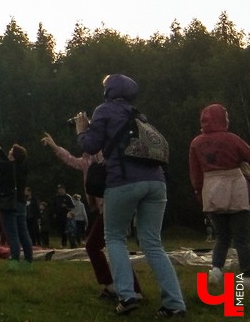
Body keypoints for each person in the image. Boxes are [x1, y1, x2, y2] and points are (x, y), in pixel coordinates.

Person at [77, 73, 186, 317]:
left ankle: (127, 295)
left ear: (108, 91)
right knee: (153, 244)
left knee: (115, 237)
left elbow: (91, 146)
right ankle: (175, 303)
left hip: (123, 181)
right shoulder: (139, 115)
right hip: (157, 182)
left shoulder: (104, 110)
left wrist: (81, 131)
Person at [41, 129, 139, 300]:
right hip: (107, 208)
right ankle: (130, 289)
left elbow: (100, 153)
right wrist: (54, 146)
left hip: (112, 205)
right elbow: (70, 159)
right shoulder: (86, 161)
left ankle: (116, 287)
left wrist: (85, 130)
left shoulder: (101, 154)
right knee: (111, 247)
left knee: (95, 246)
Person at [188, 103, 250, 287]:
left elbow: (195, 173)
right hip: (234, 187)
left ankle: (216, 270)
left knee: (222, 236)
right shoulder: (232, 139)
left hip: (211, 188)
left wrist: (199, 193)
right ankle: (247, 276)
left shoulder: (196, 143)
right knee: (242, 237)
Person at [0, 137, 34, 267]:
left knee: (12, 234)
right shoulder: (23, 168)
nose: (9, 151)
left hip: (9, 204)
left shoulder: (7, 167)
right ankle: (28, 262)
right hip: (21, 203)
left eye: (11, 150)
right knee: (24, 233)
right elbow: (10, 163)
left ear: (13, 155)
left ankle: (14, 261)